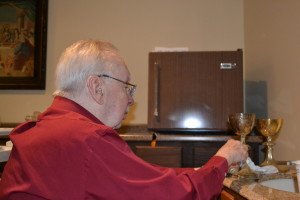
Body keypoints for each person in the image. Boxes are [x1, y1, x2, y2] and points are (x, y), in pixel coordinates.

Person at [0, 40, 248, 200]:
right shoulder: (88, 139)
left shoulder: (35, 131)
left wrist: (199, 170)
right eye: (127, 87)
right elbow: (172, 195)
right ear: (96, 87)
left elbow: (144, 179)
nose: (131, 99)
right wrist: (222, 160)